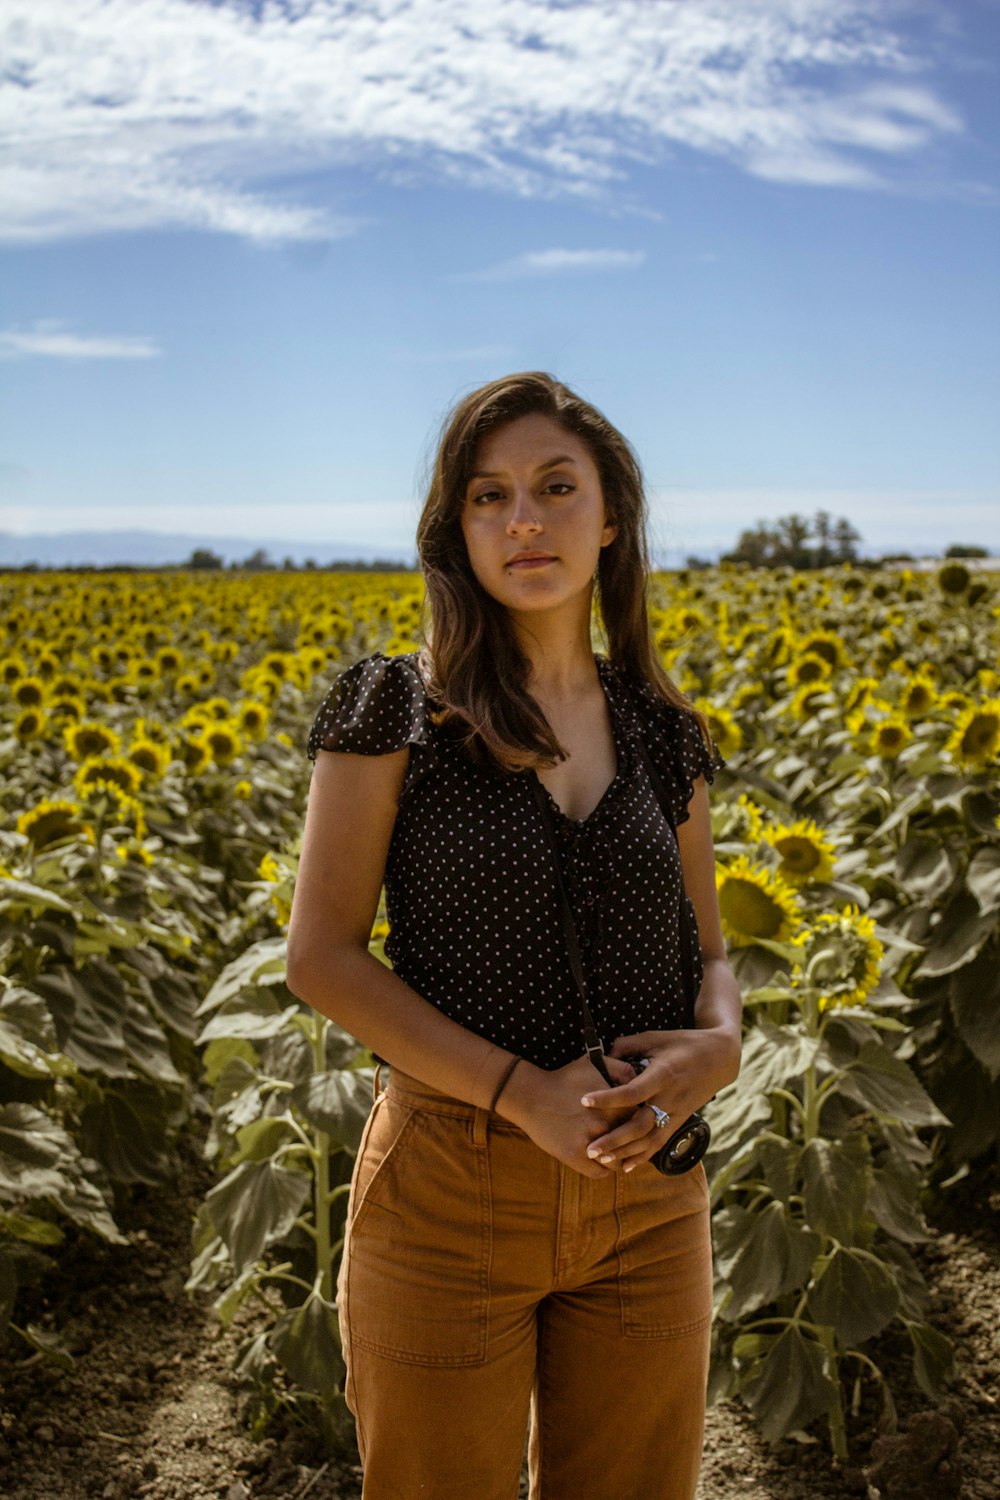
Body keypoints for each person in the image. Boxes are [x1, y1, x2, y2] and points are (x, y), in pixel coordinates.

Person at [286, 371, 743, 1500]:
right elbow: (322, 955)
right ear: (457, 532)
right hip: (450, 1186)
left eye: (554, 486)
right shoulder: (394, 709)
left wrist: (722, 1047)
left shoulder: (657, 729)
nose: (524, 519)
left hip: (646, 1187)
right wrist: (520, 1094)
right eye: (488, 497)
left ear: (611, 517)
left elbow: (712, 951)